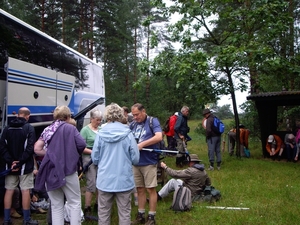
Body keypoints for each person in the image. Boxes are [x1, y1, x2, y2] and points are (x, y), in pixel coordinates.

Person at [34, 105, 86, 225]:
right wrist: (71, 154)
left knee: (56, 206)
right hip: (68, 170)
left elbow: (37, 148)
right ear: (68, 117)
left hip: (51, 171)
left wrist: (51, 155)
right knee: (74, 203)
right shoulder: (70, 128)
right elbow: (81, 144)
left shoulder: (48, 129)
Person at [91, 103, 140, 225]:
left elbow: (95, 158)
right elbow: (135, 158)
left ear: (107, 116)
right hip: (123, 180)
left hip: (104, 180)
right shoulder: (128, 133)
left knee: (103, 214)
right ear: (120, 115)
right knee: (124, 214)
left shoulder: (100, 134)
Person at [0, 107, 38, 225]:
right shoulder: (29, 128)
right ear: (27, 116)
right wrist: (20, 162)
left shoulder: (7, 128)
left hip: (10, 166)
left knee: (9, 190)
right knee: (25, 191)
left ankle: (6, 219)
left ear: (18, 115)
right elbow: (30, 148)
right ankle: (26, 220)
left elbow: (2, 147)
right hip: (24, 167)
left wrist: (11, 161)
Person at [130, 103, 163, 225]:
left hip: (149, 161)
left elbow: (159, 136)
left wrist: (142, 144)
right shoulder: (132, 124)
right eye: (133, 115)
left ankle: (152, 217)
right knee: (139, 189)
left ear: (143, 111)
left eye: (137, 114)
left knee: (150, 189)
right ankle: (140, 215)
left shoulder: (152, 121)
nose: (135, 117)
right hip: (136, 162)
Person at [80, 109, 102, 215]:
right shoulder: (85, 130)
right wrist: (93, 152)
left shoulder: (101, 129)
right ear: (92, 119)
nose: (99, 122)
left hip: (101, 159)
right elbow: (81, 147)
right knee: (91, 182)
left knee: (100, 182)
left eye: (100, 120)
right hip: (89, 159)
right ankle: (87, 207)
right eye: (97, 120)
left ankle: (98, 205)